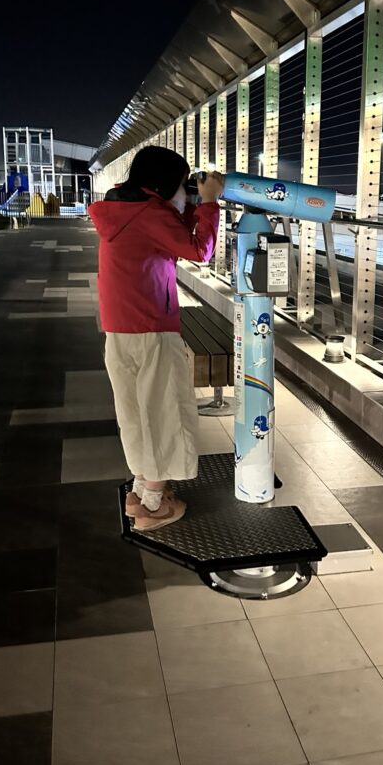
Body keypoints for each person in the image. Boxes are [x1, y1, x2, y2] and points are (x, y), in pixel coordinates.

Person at [88, 146, 224, 531]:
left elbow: (169, 234)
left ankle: (140, 492)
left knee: (136, 413)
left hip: (119, 329)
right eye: (182, 184)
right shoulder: (151, 214)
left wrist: (190, 205)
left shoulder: (123, 209)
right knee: (165, 412)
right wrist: (209, 203)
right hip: (152, 328)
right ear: (165, 183)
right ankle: (153, 505)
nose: (185, 191)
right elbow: (200, 250)